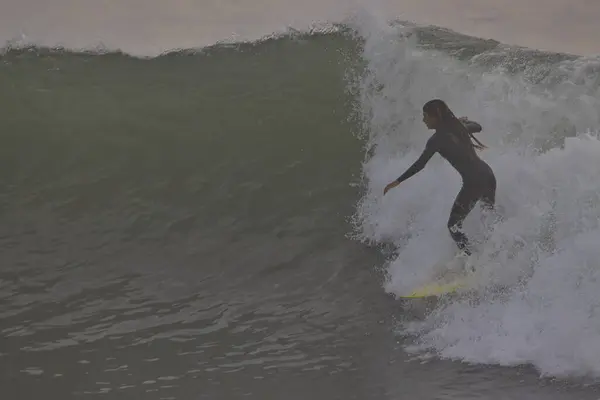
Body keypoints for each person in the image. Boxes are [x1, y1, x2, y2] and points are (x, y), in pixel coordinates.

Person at [383, 99, 497, 258]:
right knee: (488, 219)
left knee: (453, 226)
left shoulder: (436, 140)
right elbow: (478, 126)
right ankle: (496, 254)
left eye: (426, 116)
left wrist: (398, 181)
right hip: (488, 176)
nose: (423, 120)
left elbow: (420, 164)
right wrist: (463, 122)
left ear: (435, 117)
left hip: (474, 183)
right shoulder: (459, 128)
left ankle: (473, 261)